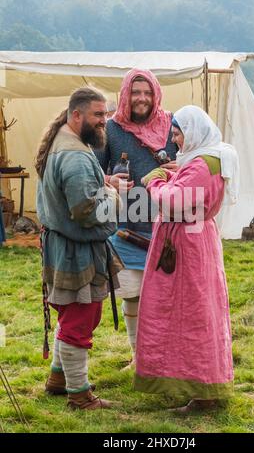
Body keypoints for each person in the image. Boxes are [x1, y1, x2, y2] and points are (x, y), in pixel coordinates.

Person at [134, 105, 239, 412]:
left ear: (192, 131)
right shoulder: (206, 158)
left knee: (192, 314)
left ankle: (203, 392)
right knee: (186, 312)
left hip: (187, 245)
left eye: (178, 133)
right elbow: (186, 180)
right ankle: (191, 382)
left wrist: (154, 182)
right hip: (192, 240)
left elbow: (176, 199)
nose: (175, 140)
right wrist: (171, 172)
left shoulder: (202, 166)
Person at [36, 87, 123, 411]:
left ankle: (59, 378)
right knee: (80, 318)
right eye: (98, 115)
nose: (104, 122)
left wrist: (104, 185)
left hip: (63, 245)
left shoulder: (64, 140)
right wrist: (113, 195)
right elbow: (86, 210)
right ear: (77, 115)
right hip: (75, 249)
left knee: (73, 314)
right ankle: (80, 396)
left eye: (105, 114)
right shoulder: (73, 155)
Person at [97, 69, 178, 369]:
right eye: (136, 92)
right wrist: (109, 181)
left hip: (168, 224)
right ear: (125, 95)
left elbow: (197, 159)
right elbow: (94, 170)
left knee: (165, 297)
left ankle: (164, 357)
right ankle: (139, 357)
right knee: (132, 294)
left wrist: (181, 166)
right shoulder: (112, 129)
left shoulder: (172, 125)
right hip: (126, 227)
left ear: (155, 94)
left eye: (147, 92)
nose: (141, 98)